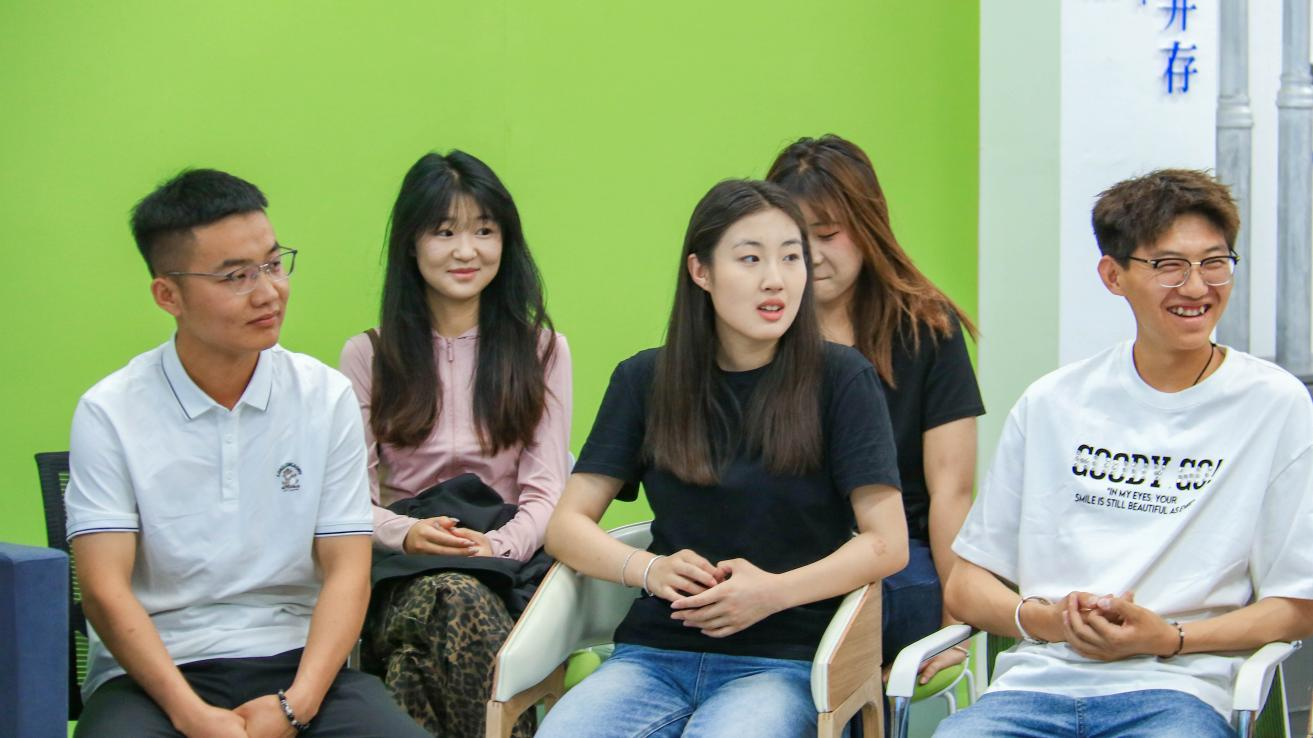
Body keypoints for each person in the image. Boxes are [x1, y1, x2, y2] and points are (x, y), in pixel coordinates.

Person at [936, 169, 1313, 737]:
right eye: (1169, 266)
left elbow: (1299, 605)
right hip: (1035, 688)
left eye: (1214, 262)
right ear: (1113, 275)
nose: (1197, 287)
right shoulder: (1053, 402)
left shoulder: (1273, 403)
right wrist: (1051, 622)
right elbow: (966, 586)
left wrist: (1169, 638)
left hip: (1179, 692)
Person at [536, 179, 909, 738]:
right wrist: (648, 569)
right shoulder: (644, 380)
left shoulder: (842, 378)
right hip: (653, 656)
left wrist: (771, 594)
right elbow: (566, 525)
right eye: (750, 258)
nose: (775, 279)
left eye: (791, 257)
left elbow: (887, 542)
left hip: (783, 663)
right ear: (701, 271)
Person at [65, 169, 428, 738]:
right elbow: (104, 592)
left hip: (297, 664)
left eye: (274, 264)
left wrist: (297, 705)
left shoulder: (324, 396)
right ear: (168, 295)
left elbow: (348, 571)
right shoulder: (110, 411)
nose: (267, 292)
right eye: (235, 276)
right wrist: (192, 716)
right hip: (153, 676)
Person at [338, 151, 570, 737]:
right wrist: (408, 534)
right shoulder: (368, 355)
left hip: (510, 568)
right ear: (411, 244)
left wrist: (494, 546)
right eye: (445, 232)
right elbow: (348, 501)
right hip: (404, 569)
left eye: (484, 231)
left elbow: (548, 490)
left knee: (414, 664)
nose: (466, 251)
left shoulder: (542, 350)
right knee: (449, 596)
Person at [768, 135, 985, 682]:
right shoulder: (757, 328)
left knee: (834, 619)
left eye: (827, 235)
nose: (811, 256)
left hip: (896, 559)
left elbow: (952, 489)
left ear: (868, 227)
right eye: (792, 239)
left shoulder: (926, 327)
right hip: (785, 555)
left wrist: (954, 624)